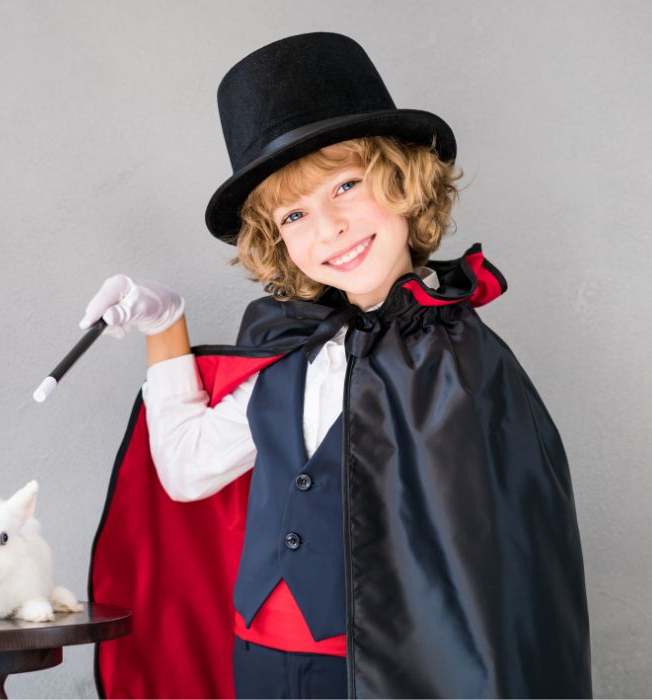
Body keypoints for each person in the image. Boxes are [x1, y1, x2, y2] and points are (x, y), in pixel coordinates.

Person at [84, 32, 591, 699]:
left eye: (346, 185)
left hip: (391, 674)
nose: (328, 229)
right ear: (278, 240)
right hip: (260, 663)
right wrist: (165, 325)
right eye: (295, 213)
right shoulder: (291, 355)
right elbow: (185, 471)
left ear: (404, 181)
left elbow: (494, 580)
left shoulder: (465, 369)